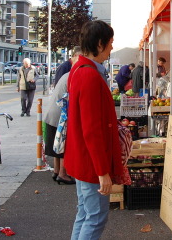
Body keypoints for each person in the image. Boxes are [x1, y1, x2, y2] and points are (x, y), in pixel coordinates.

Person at [64, 20, 123, 240]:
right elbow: (92, 129)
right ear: (100, 44)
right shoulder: (88, 75)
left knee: (85, 213)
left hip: (82, 156)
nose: (111, 48)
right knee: (95, 217)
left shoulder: (80, 69)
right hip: (90, 161)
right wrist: (102, 171)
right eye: (110, 43)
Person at [43, 72, 75, 185]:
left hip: (53, 113)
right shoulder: (73, 76)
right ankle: (62, 173)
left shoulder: (67, 75)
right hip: (60, 115)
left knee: (57, 145)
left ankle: (56, 171)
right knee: (64, 144)